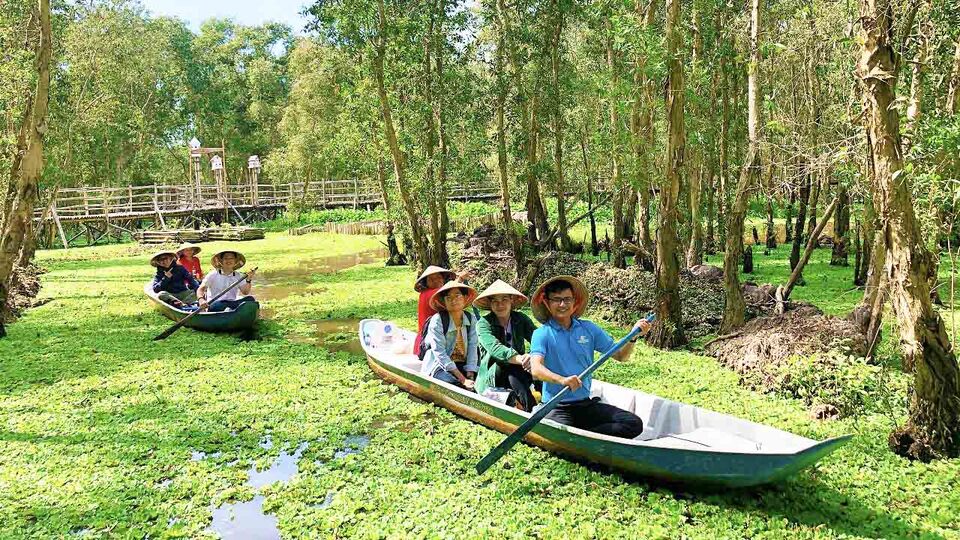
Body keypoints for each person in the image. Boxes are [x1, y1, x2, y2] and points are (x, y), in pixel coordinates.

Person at [528, 275, 652, 439]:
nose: (563, 304)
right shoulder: (541, 334)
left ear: (575, 302)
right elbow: (536, 370)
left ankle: (583, 437)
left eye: (567, 299)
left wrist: (632, 337)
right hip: (556, 406)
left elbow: (621, 356)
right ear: (547, 303)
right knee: (562, 436)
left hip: (585, 404)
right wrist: (562, 380)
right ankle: (580, 437)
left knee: (633, 423)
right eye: (557, 300)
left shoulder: (588, 329)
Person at [474, 280, 539, 411]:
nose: (500, 305)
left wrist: (533, 356)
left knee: (539, 367)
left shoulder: (520, 319)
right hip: (493, 374)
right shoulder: (484, 323)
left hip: (520, 369)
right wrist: (522, 359)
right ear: (490, 304)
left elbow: (538, 340)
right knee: (513, 371)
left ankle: (545, 403)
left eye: (504, 299)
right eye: (495, 301)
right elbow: (495, 349)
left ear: (511, 301)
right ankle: (531, 409)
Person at [420, 281, 479, 390]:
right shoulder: (438, 320)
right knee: (454, 385)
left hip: (462, 363)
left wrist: (470, 375)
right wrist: (463, 379)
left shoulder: (471, 319)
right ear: (444, 301)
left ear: (465, 298)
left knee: (481, 382)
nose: (453, 300)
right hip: (439, 365)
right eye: (448, 298)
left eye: (457, 296)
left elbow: (473, 347)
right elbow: (439, 353)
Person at [413, 265, 470, 353]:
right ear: (426, 283)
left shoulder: (436, 295)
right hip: (427, 344)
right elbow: (447, 291)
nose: (436, 280)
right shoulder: (428, 294)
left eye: (439, 277)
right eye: (431, 279)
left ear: (443, 279)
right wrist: (460, 279)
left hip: (439, 339)